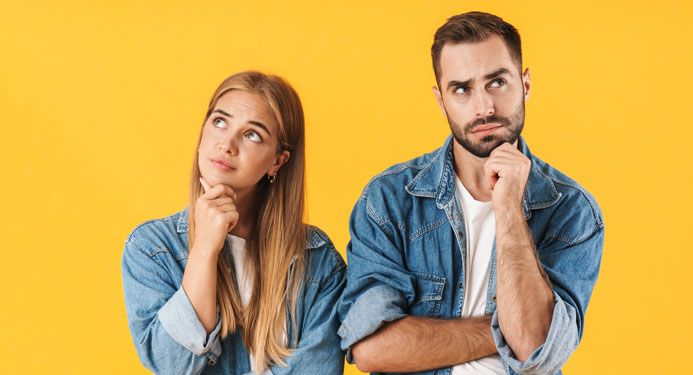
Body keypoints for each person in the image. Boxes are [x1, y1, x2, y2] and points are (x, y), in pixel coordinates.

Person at [338, 11, 604, 375]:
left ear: (525, 84)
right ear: (441, 100)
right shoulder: (389, 199)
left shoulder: (571, 210)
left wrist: (509, 206)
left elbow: (533, 348)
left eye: (497, 82)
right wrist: (501, 329)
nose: (484, 107)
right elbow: (371, 348)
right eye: (462, 89)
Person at [122, 71, 345, 375]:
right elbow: (171, 364)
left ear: (278, 161)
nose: (227, 144)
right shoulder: (152, 248)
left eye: (252, 134)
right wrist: (204, 249)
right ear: (202, 134)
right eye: (219, 122)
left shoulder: (317, 260)